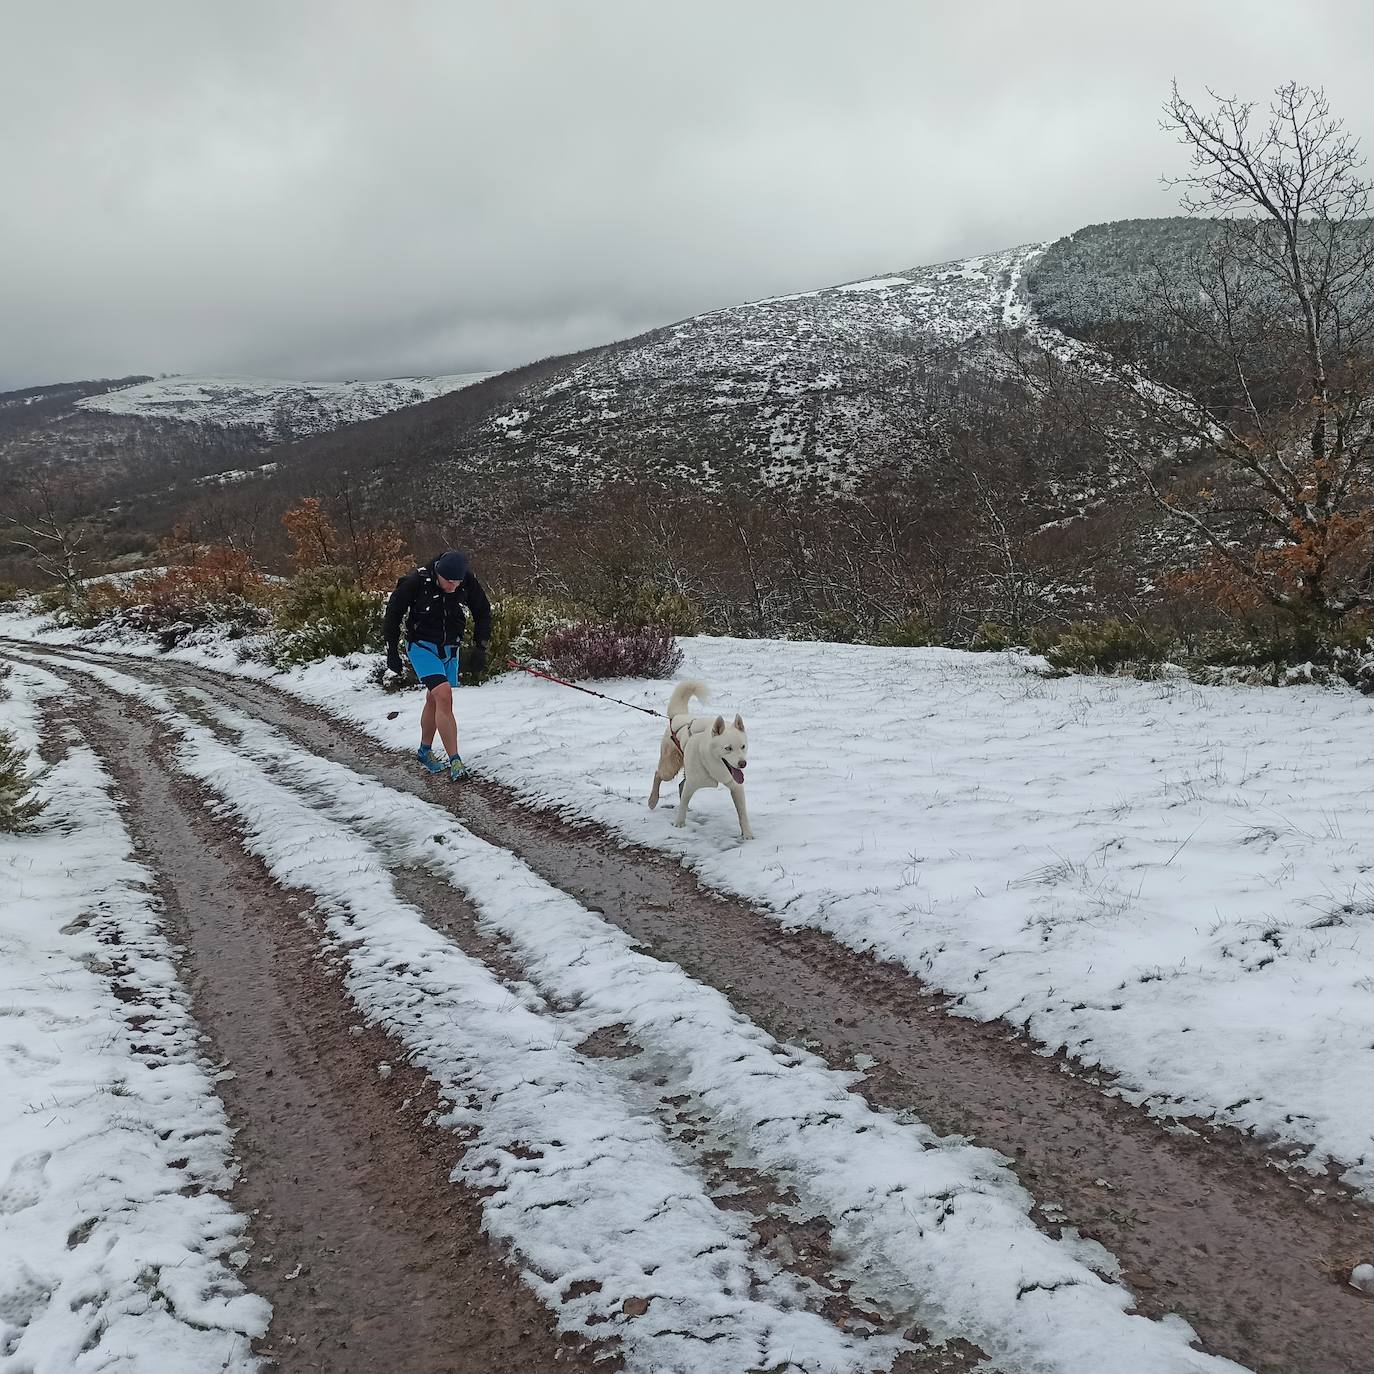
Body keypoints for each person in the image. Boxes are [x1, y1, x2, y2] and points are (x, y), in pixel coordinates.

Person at [384, 550, 491, 780]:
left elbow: (483, 611)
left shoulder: (465, 581)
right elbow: (393, 614)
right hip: (421, 646)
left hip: (450, 648)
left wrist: (481, 646)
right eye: (448, 582)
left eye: (457, 582)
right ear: (438, 574)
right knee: (443, 694)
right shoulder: (416, 582)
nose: (453, 586)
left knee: (434, 698)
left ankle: (424, 750)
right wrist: (392, 650)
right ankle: (456, 762)